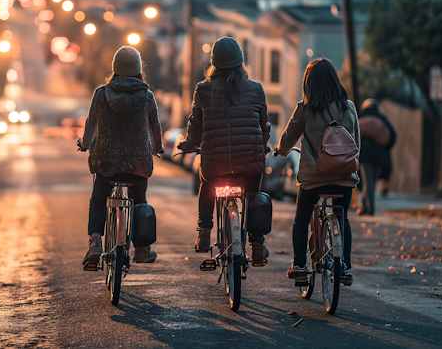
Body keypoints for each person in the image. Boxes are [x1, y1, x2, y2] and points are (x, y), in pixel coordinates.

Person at [178, 37, 271, 266]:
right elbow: (264, 126)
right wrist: (263, 145)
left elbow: (196, 127)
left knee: (206, 182)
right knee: (254, 195)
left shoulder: (203, 90)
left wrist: (189, 146)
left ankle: (204, 231)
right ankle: (257, 244)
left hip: (216, 166)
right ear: (241, 62)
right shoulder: (256, 89)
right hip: (250, 163)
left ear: (214, 64)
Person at [274, 58, 359, 286]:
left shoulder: (305, 109)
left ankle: (300, 266)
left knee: (301, 220)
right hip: (344, 179)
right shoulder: (348, 107)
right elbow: (356, 143)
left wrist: (280, 150)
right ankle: (347, 268)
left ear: (308, 83)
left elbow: (288, 138)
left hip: (314, 180)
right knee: (343, 218)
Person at [77, 46, 164, 268]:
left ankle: (96, 243)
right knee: (139, 200)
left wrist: (85, 144)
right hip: (138, 165)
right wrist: (158, 148)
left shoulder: (101, 94)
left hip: (107, 164)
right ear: (138, 70)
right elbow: (155, 127)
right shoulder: (146, 97)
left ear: (115, 68)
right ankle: (142, 249)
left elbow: (90, 126)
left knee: (98, 199)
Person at [357, 98, 396, 215]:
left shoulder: (359, 116)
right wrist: (386, 148)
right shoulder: (382, 118)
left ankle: (370, 208)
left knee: (367, 181)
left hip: (365, 155)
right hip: (380, 156)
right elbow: (393, 136)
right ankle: (365, 206)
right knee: (371, 182)